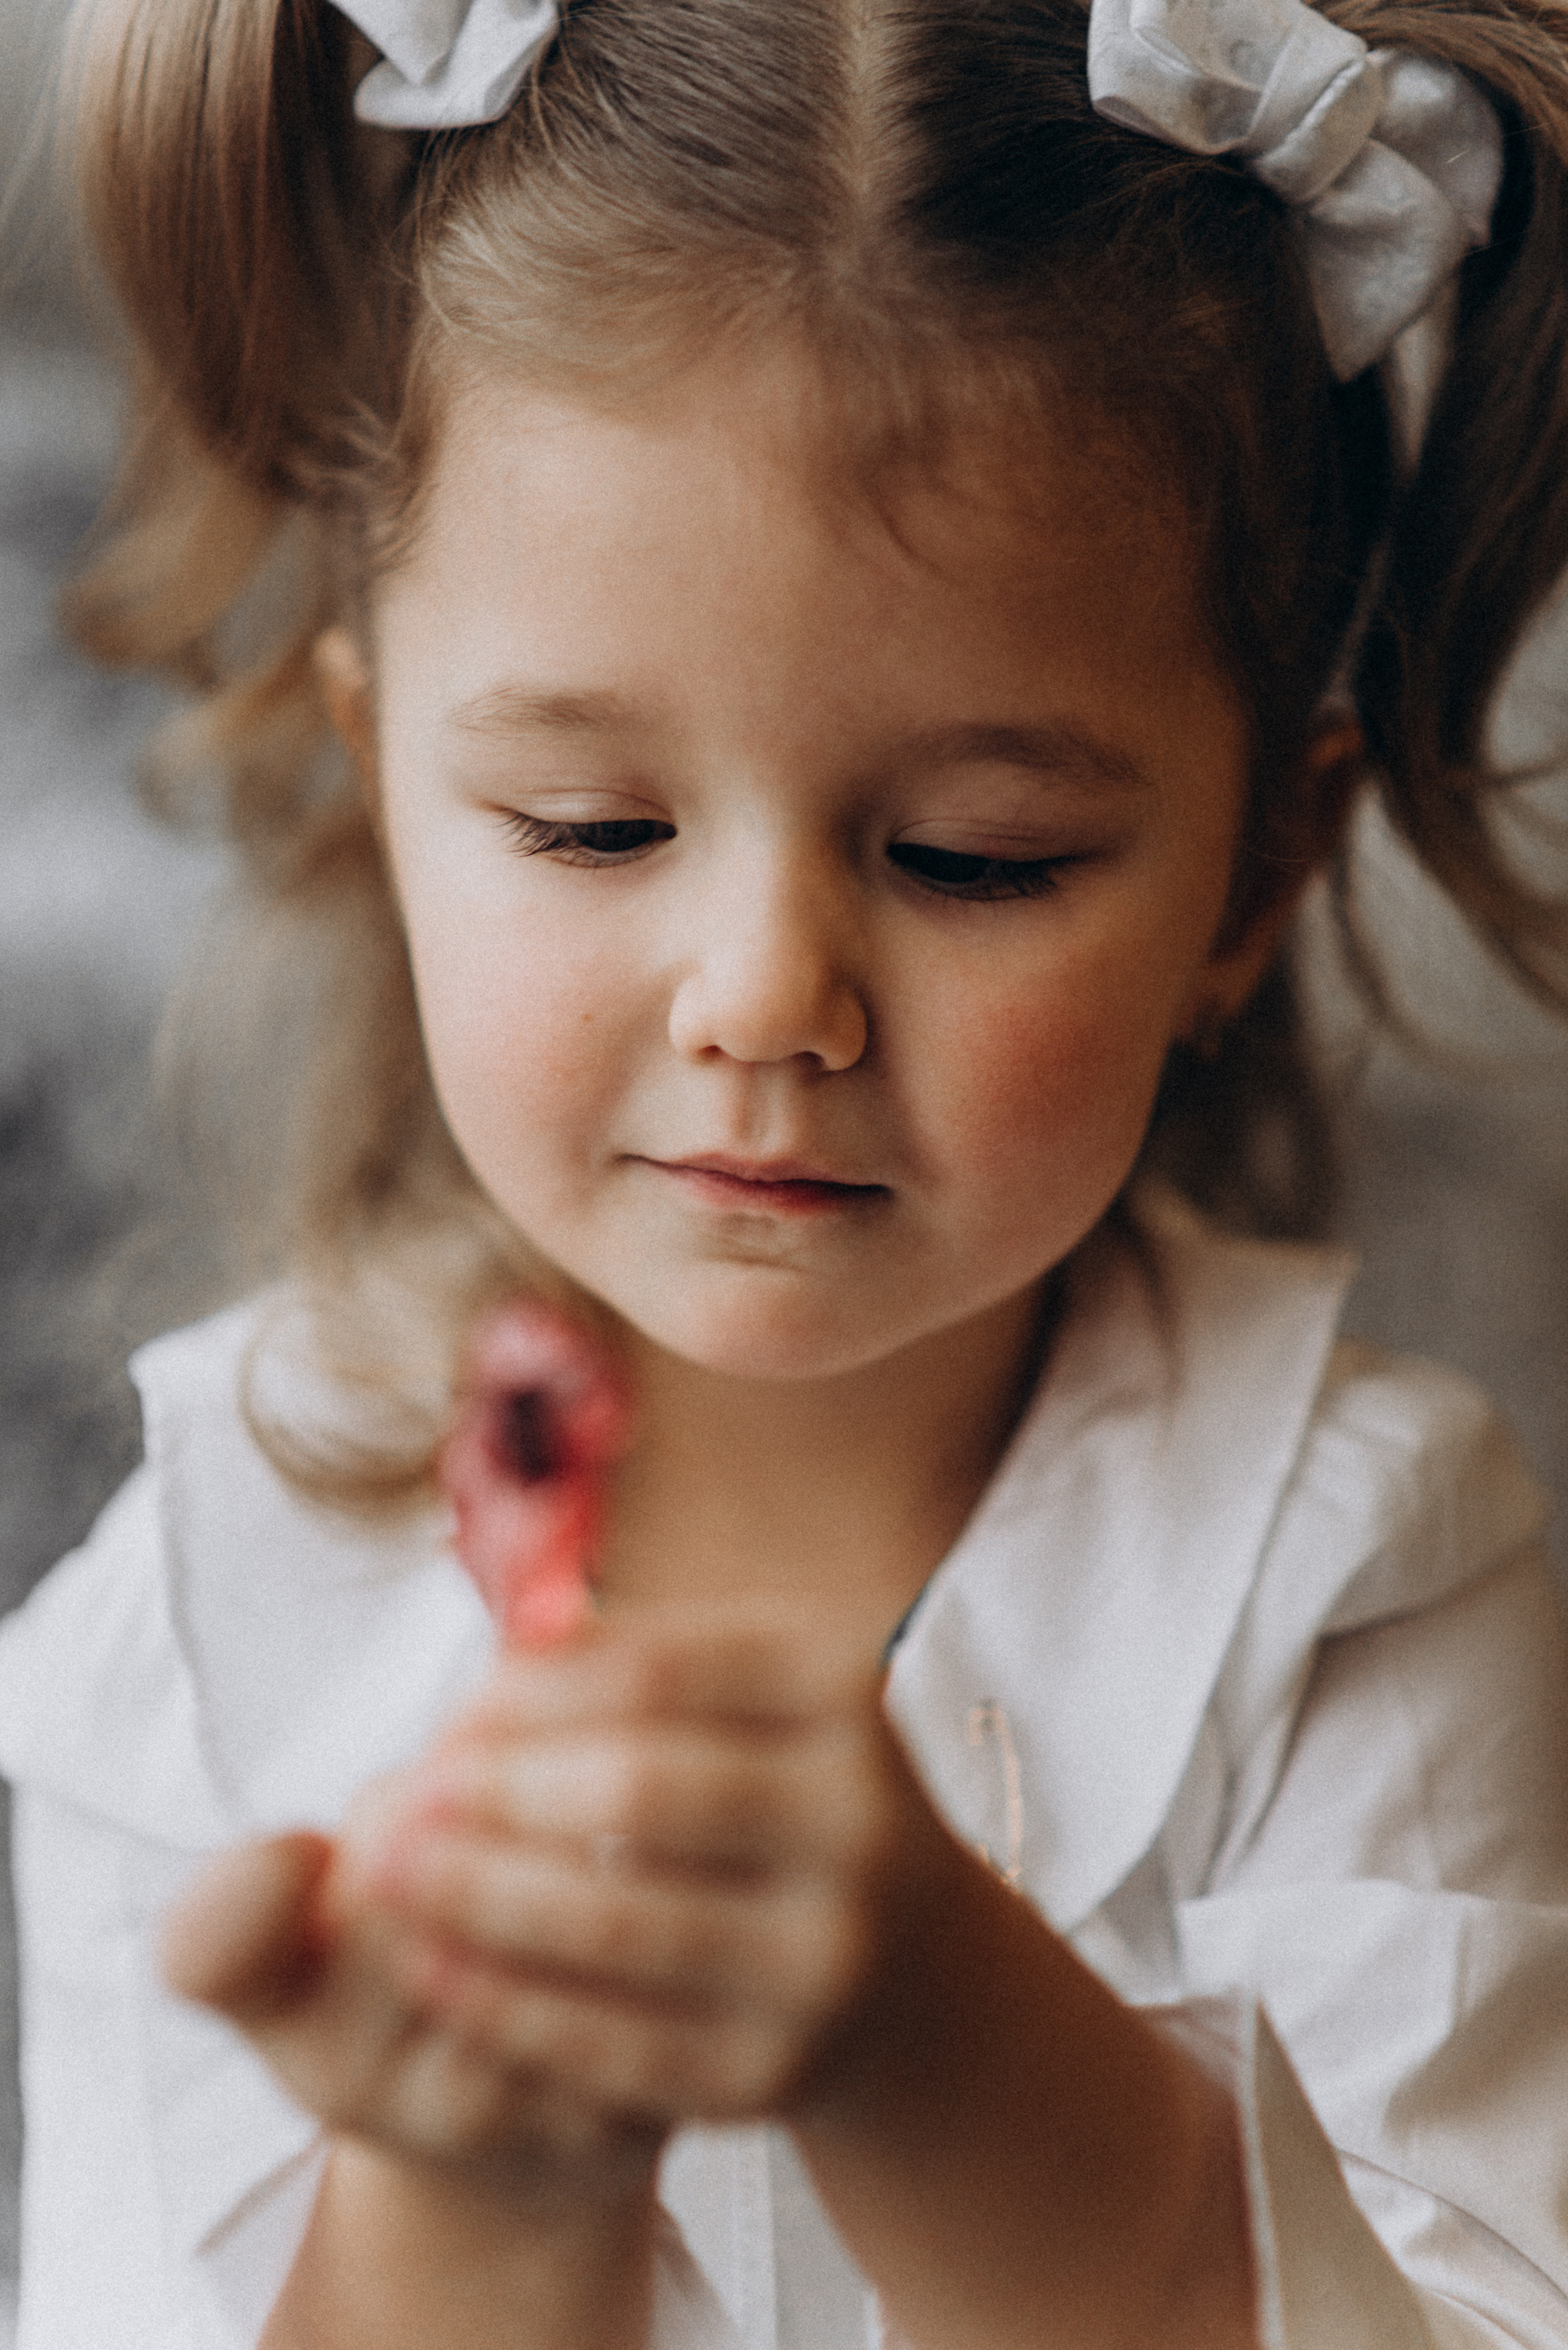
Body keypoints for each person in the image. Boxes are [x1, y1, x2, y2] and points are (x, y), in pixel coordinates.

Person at [4, 0, 1568, 2341]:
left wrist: (945, 2041)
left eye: (974, 855)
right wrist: (470, 2189)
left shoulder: (1346, 1588)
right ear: (384, 787)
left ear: (1255, 875)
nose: (766, 996)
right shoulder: (201, 1640)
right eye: (593, 826)